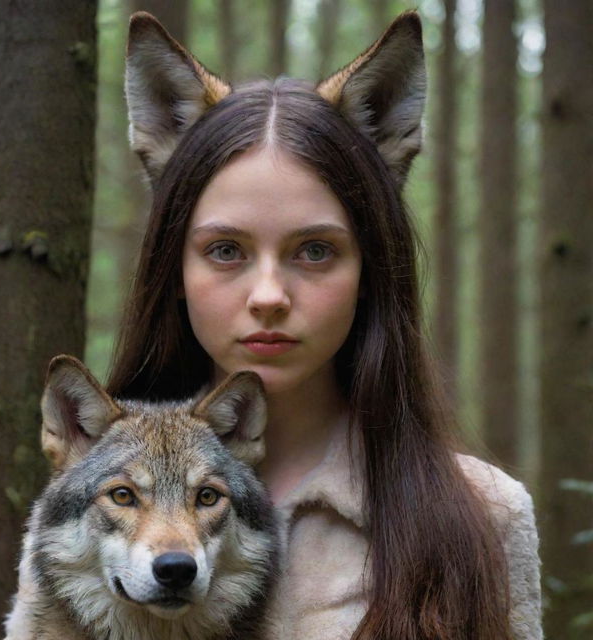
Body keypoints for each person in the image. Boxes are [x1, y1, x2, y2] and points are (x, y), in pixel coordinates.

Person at [107, 10, 542, 640]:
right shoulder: (89, 498)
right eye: (225, 250)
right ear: (173, 264)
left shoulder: (485, 516)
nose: (269, 296)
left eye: (315, 250)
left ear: (372, 263)